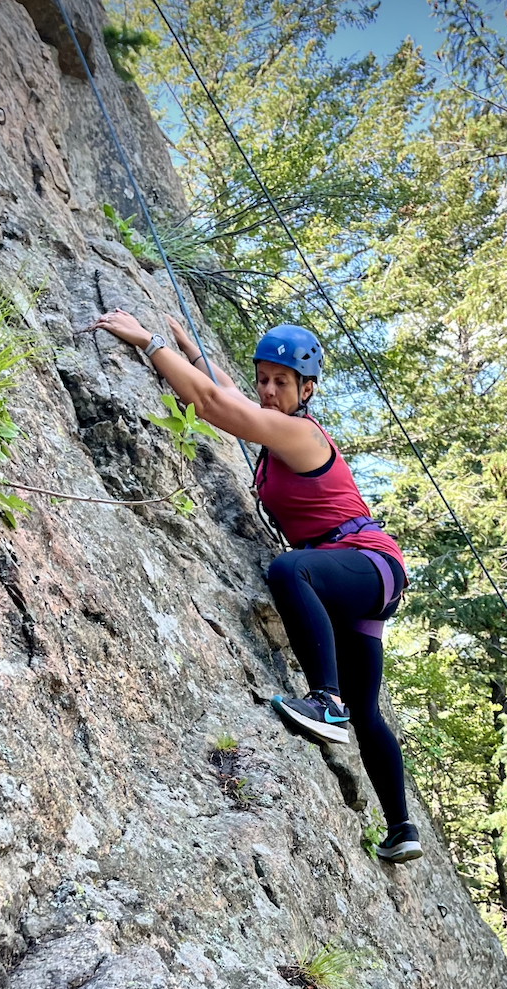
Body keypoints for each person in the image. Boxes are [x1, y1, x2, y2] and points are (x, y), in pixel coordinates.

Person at [91, 307, 422, 864]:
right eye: (263, 379)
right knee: (368, 712)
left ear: (307, 389)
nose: (268, 391)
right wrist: (190, 350)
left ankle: (325, 702)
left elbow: (215, 404)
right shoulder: (278, 422)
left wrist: (148, 343)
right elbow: (230, 394)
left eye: (281, 382)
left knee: (290, 569)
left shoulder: (300, 433)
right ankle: (401, 829)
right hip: (357, 575)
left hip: (364, 560)